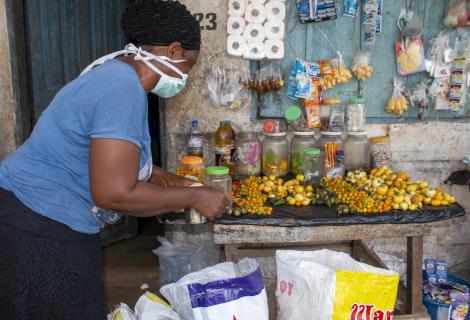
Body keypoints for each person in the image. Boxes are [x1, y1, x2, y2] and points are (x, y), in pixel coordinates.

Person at [0, 1, 228, 319]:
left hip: (28, 212)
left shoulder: (113, 75)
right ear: (175, 51)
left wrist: (178, 181)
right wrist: (195, 195)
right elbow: (112, 193)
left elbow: (119, 161)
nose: (185, 77)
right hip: (40, 224)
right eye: (189, 66)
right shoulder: (123, 89)